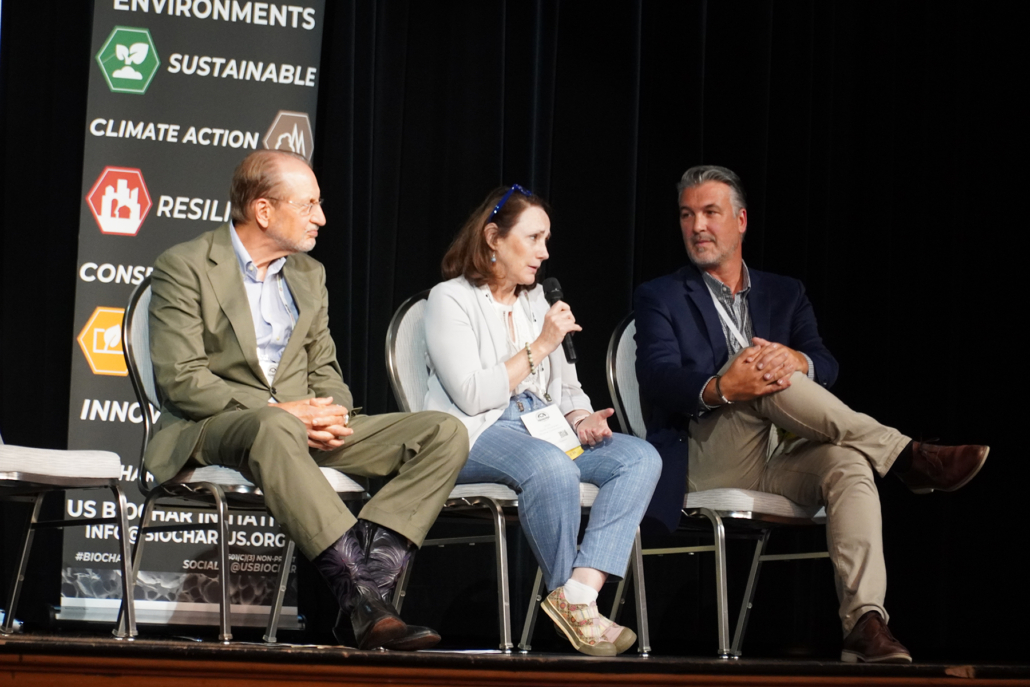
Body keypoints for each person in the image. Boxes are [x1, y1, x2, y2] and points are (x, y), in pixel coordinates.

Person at [633, 165, 989, 663]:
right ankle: (907, 456)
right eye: (687, 215)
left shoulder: (785, 291)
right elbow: (656, 377)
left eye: (710, 212)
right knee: (754, 363)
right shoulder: (661, 294)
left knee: (849, 463)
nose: (697, 227)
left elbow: (825, 362)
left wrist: (797, 361)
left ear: (741, 220)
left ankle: (865, 623)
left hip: (780, 455)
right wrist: (723, 387)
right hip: (707, 453)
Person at [145, 149, 469, 651]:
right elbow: (181, 379)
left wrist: (330, 412)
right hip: (218, 426)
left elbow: (325, 369)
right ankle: (360, 596)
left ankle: (367, 600)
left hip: (302, 423)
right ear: (263, 210)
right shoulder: (185, 265)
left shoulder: (308, 274)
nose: (321, 217)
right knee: (273, 428)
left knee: (443, 432)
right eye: (309, 204)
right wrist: (281, 413)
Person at [423, 184, 662, 657]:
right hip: (475, 432)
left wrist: (581, 416)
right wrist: (540, 346)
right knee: (552, 467)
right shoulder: (449, 299)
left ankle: (579, 594)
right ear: (494, 238)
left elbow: (568, 387)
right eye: (533, 238)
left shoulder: (537, 302)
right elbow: (471, 395)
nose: (544, 252)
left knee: (639, 458)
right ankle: (569, 599)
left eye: (546, 240)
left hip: (543, 425)